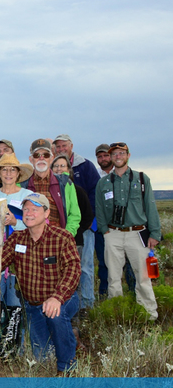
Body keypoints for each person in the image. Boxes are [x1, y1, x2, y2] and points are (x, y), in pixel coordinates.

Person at [0, 193, 81, 375]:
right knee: (42, 357)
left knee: (56, 316)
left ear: (46, 213)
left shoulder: (62, 237)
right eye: (26, 209)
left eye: (34, 209)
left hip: (63, 299)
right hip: (33, 306)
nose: (29, 213)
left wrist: (57, 298)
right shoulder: (17, 238)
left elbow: (73, 270)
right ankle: (71, 336)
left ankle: (66, 368)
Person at [95, 142, 161, 320]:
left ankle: (149, 315)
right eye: (114, 154)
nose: (118, 156)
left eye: (121, 153)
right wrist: (104, 230)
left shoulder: (141, 179)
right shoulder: (103, 183)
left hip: (137, 233)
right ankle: (117, 314)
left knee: (143, 276)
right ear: (111, 157)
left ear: (128, 155)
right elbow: (99, 209)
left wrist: (155, 233)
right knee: (113, 277)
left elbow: (150, 206)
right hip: (113, 234)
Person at [0, 154, 34, 326]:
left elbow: (35, 225)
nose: (8, 173)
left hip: (21, 259)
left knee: (17, 308)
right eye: (4, 169)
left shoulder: (28, 195)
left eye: (13, 170)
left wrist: (15, 223)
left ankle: (16, 342)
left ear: (19, 173)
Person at [53, 134, 100, 311]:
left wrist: (83, 227)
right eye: (58, 146)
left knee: (83, 268)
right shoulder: (51, 188)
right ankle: (66, 308)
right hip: (59, 236)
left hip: (80, 233)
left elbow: (93, 197)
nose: (61, 149)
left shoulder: (84, 169)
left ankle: (86, 305)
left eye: (64, 145)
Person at [23, 139, 81, 237]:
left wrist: (67, 235)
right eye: (37, 155)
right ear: (31, 159)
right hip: (30, 239)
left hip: (58, 239)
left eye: (45, 155)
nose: (41, 158)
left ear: (51, 158)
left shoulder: (65, 183)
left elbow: (74, 214)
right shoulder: (22, 184)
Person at [94, 143, 113, 297]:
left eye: (106, 155)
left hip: (119, 225)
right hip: (101, 225)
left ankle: (130, 292)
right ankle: (104, 293)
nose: (103, 159)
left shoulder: (121, 174)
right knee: (103, 260)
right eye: (100, 156)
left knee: (126, 262)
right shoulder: (95, 175)